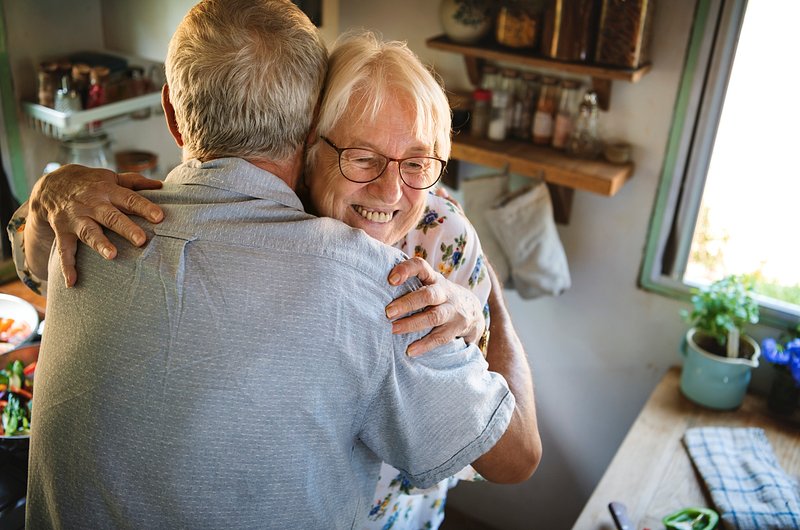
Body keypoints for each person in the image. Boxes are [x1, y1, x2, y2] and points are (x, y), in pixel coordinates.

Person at [10, 1, 541, 528]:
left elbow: (38, 267)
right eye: (362, 156)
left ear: (170, 112)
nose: (390, 188)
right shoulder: (370, 291)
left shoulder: (88, 227)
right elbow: (519, 456)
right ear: (313, 132)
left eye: (418, 163)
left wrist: (482, 307)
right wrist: (45, 198)